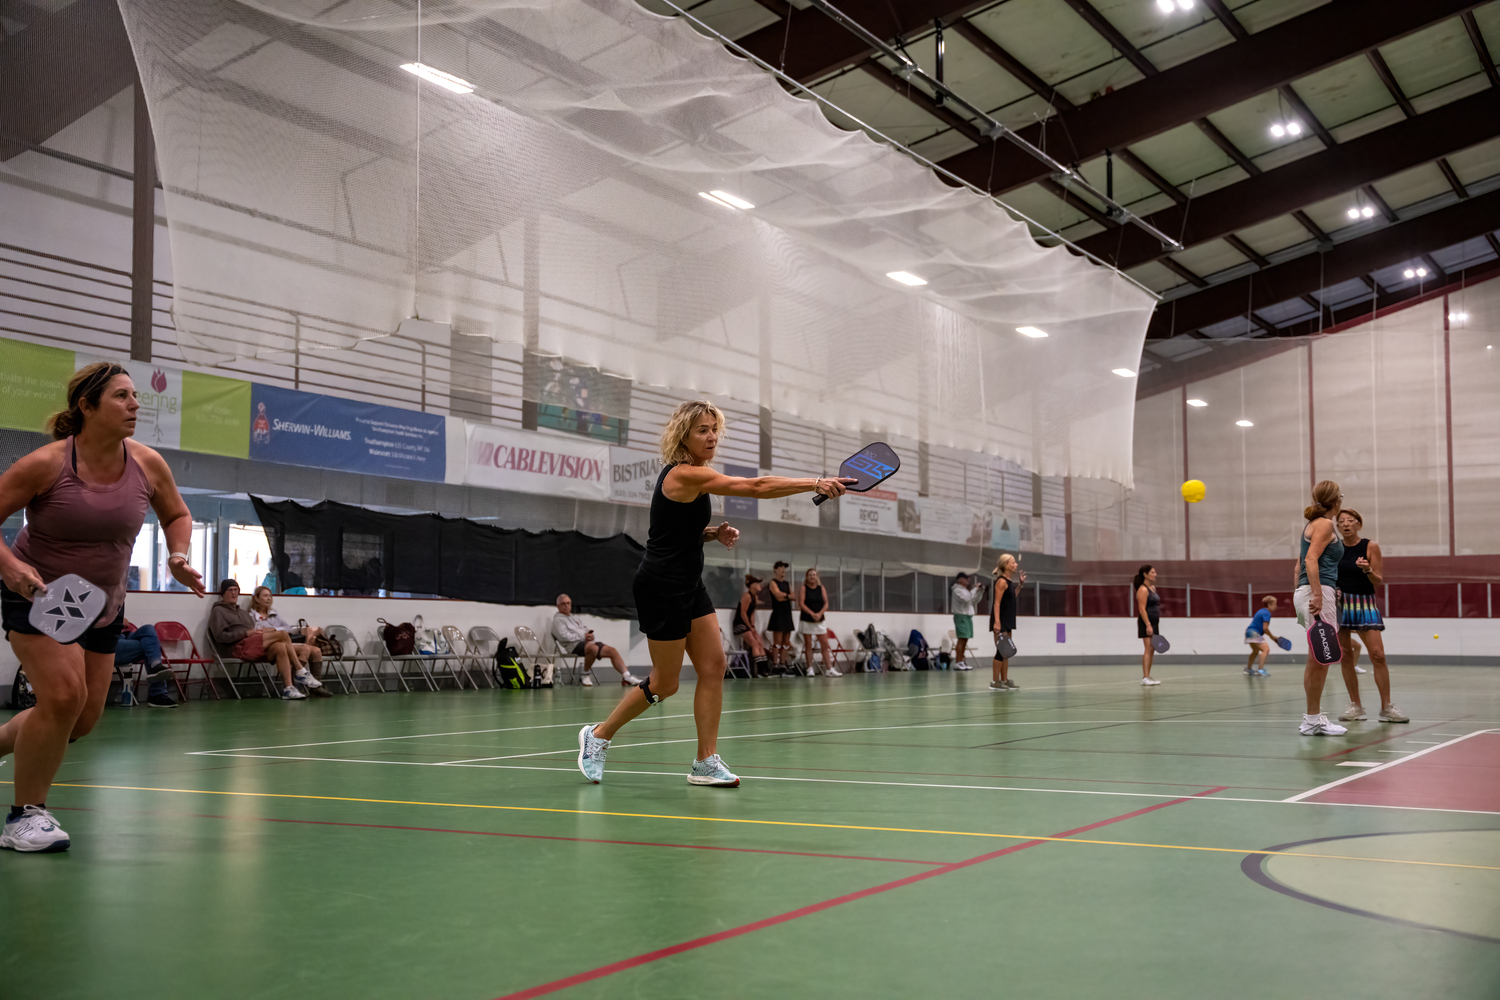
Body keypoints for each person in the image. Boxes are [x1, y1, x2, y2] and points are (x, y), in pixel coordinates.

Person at [576, 400, 852, 786]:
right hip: (661, 587)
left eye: (714, 429)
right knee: (665, 683)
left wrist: (711, 533)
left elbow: (673, 530)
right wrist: (815, 482)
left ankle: (706, 761)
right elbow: (753, 486)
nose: (711, 436)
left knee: (713, 666)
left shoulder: (696, 476)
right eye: (702, 430)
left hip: (690, 583)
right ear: (684, 436)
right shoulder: (684, 474)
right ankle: (598, 735)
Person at [0, 362, 205, 852]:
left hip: (103, 607)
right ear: (86, 407)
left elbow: (176, 512)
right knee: (63, 697)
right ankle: (24, 816)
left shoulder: (147, 464)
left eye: (135, 396)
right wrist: (9, 568)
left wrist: (178, 555)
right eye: (121, 396)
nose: (135, 404)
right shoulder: (46, 465)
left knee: (83, 718)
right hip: (39, 596)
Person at [1334, 509, 1407, 724]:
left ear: (1358, 524)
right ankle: (1355, 706)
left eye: (1350, 520)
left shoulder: (1370, 546)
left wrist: (1367, 570)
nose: (1346, 524)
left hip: (1364, 603)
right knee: (1346, 655)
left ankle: (1387, 707)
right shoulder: (1334, 548)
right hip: (1341, 604)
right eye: (1341, 521)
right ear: (1337, 527)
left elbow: (1378, 580)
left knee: (1377, 654)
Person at [1294, 480, 1347, 736]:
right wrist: (1316, 594)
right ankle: (1312, 720)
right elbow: (1310, 559)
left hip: (1315, 590)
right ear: (1336, 500)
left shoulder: (1313, 524)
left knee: (1317, 658)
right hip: (1318, 593)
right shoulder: (1325, 524)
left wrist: (1304, 591)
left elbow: (1298, 567)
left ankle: (1313, 719)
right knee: (1320, 658)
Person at [208, 579, 308, 700]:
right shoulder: (218, 611)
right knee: (282, 634)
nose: (234, 593)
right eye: (230, 590)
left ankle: (288, 688)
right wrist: (246, 633)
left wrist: (261, 631)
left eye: (236, 590)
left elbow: (254, 630)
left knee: (280, 646)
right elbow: (220, 636)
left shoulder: (242, 613)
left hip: (252, 644)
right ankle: (300, 670)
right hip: (236, 647)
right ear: (223, 593)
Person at [248, 585, 330, 696]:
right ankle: (294, 682)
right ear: (257, 599)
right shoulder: (251, 616)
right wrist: (274, 633)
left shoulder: (274, 614)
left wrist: (274, 630)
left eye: (270, 596)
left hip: (284, 643)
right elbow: (256, 633)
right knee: (304, 649)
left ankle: (314, 688)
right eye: (265, 596)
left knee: (316, 650)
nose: (268, 598)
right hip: (270, 647)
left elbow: (288, 629)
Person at [551, 593, 639, 687]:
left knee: (612, 651)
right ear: (558, 606)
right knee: (593, 649)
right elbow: (563, 636)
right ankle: (585, 674)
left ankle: (627, 677)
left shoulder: (574, 617)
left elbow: (584, 629)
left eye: (568, 603)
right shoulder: (557, 620)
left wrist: (589, 635)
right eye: (563, 603)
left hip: (587, 643)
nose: (566, 605)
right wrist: (583, 637)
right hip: (573, 646)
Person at [116, 620, 177, 708]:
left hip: (123, 636)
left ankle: (155, 666)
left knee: (148, 628)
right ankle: (158, 695)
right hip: (109, 642)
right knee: (150, 645)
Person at [797, 567, 840, 678]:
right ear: (807, 577)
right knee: (808, 644)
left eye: (814, 574)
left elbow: (826, 603)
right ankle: (810, 668)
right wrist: (812, 614)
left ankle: (829, 669)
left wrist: (819, 614)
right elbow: (801, 604)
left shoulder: (821, 588)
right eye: (810, 575)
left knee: (824, 644)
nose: (812, 576)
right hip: (807, 619)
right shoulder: (803, 588)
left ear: (817, 577)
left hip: (820, 620)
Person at [988, 554, 1022, 690]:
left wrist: (1020, 585)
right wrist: (997, 622)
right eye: (1013, 562)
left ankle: (1005, 680)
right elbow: (996, 603)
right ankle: (995, 682)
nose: (1016, 565)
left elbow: (1013, 596)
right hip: (1000, 620)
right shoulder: (1001, 582)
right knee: (1000, 651)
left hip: (1008, 619)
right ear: (1006, 565)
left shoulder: (1009, 582)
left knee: (1006, 651)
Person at [733, 575, 770, 677]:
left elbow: (752, 613)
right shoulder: (746, 596)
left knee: (759, 642)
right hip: (740, 625)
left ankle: (764, 668)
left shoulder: (754, 597)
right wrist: (749, 627)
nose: (759, 586)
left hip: (748, 625)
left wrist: (753, 627)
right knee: (754, 643)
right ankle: (757, 669)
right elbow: (743, 613)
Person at [1134, 565, 1161, 686]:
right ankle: (1145, 677)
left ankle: (1148, 676)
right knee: (1148, 648)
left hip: (1154, 622)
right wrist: (1148, 624)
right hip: (1146, 622)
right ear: (1145, 574)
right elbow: (1142, 609)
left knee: (1152, 648)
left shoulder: (1153, 588)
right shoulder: (1143, 589)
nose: (1155, 574)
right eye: (1153, 572)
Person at [766, 561, 794, 675]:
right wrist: (787, 596)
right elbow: (777, 596)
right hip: (778, 613)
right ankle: (775, 665)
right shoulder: (773, 582)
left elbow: (794, 596)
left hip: (787, 613)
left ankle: (783, 665)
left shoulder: (787, 584)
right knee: (777, 642)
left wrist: (785, 596)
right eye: (781, 568)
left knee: (786, 642)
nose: (783, 570)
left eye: (784, 568)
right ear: (775, 569)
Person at [1243, 596, 1282, 678]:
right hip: (1254, 633)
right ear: (1269, 604)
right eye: (1274, 604)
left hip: (1248, 632)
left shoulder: (1260, 611)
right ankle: (1260, 670)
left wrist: (1272, 637)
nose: (1276, 606)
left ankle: (1248, 669)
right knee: (1266, 650)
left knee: (1255, 651)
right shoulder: (1267, 613)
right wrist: (1272, 637)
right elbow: (1265, 628)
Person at [951, 572, 983, 670]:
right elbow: (967, 598)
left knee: (965, 639)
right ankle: (958, 662)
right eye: (966, 578)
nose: (968, 580)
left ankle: (962, 661)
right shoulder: (957, 590)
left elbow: (974, 600)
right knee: (961, 639)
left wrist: (980, 591)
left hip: (967, 617)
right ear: (960, 579)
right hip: (961, 616)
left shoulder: (965, 590)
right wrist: (975, 589)